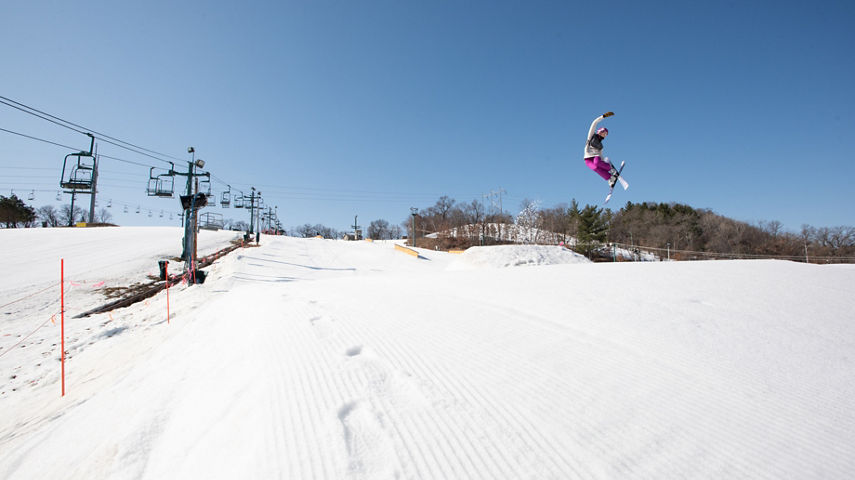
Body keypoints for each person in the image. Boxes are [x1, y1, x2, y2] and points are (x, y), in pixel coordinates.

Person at [584, 111, 617, 187]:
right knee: (595, 168)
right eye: (603, 132)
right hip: (587, 158)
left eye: (605, 134)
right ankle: (610, 178)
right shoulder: (591, 136)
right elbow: (594, 123)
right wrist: (603, 116)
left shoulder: (601, 146)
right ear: (599, 131)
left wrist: (605, 164)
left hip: (596, 157)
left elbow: (600, 156)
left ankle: (611, 169)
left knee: (597, 163)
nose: (604, 135)